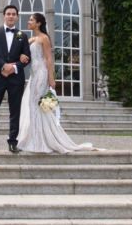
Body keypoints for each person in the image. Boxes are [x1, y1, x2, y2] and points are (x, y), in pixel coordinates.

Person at [17, 12, 102, 153]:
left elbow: (49, 59)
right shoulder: (31, 39)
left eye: (31, 20)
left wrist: (51, 78)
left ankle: (38, 141)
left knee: (33, 103)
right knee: (34, 105)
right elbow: (23, 53)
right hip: (33, 75)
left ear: (38, 23)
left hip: (41, 73)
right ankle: (37, 137)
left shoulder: (44, 38)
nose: (28, 21)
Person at [0, 5, 31, 153]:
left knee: (15, 111)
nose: (10, 16)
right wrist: (3, 66)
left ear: (17, 17)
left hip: (16, 79)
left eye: (13, 14)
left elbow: (27, 58)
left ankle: (13, 142)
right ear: (4, 16)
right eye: (8, 14)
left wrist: (13, 68)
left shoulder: (22, 35)